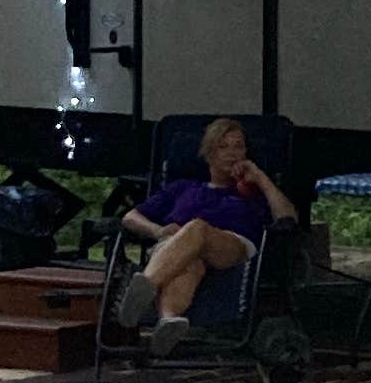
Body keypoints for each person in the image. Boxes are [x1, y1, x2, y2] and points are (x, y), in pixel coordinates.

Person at [114, 116, 295, 342]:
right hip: (174, 249)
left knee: (197, 228)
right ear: (209, 154)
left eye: (238, 146)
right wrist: (157, 231)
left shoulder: (252, 192)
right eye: (223, 146)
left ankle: (145, 287)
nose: (232, 153)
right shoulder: (182, 188)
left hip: (231, 247)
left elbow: (288, 217)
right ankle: (168, 322)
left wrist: (259, 176)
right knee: (191, 263)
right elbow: (130, 217)